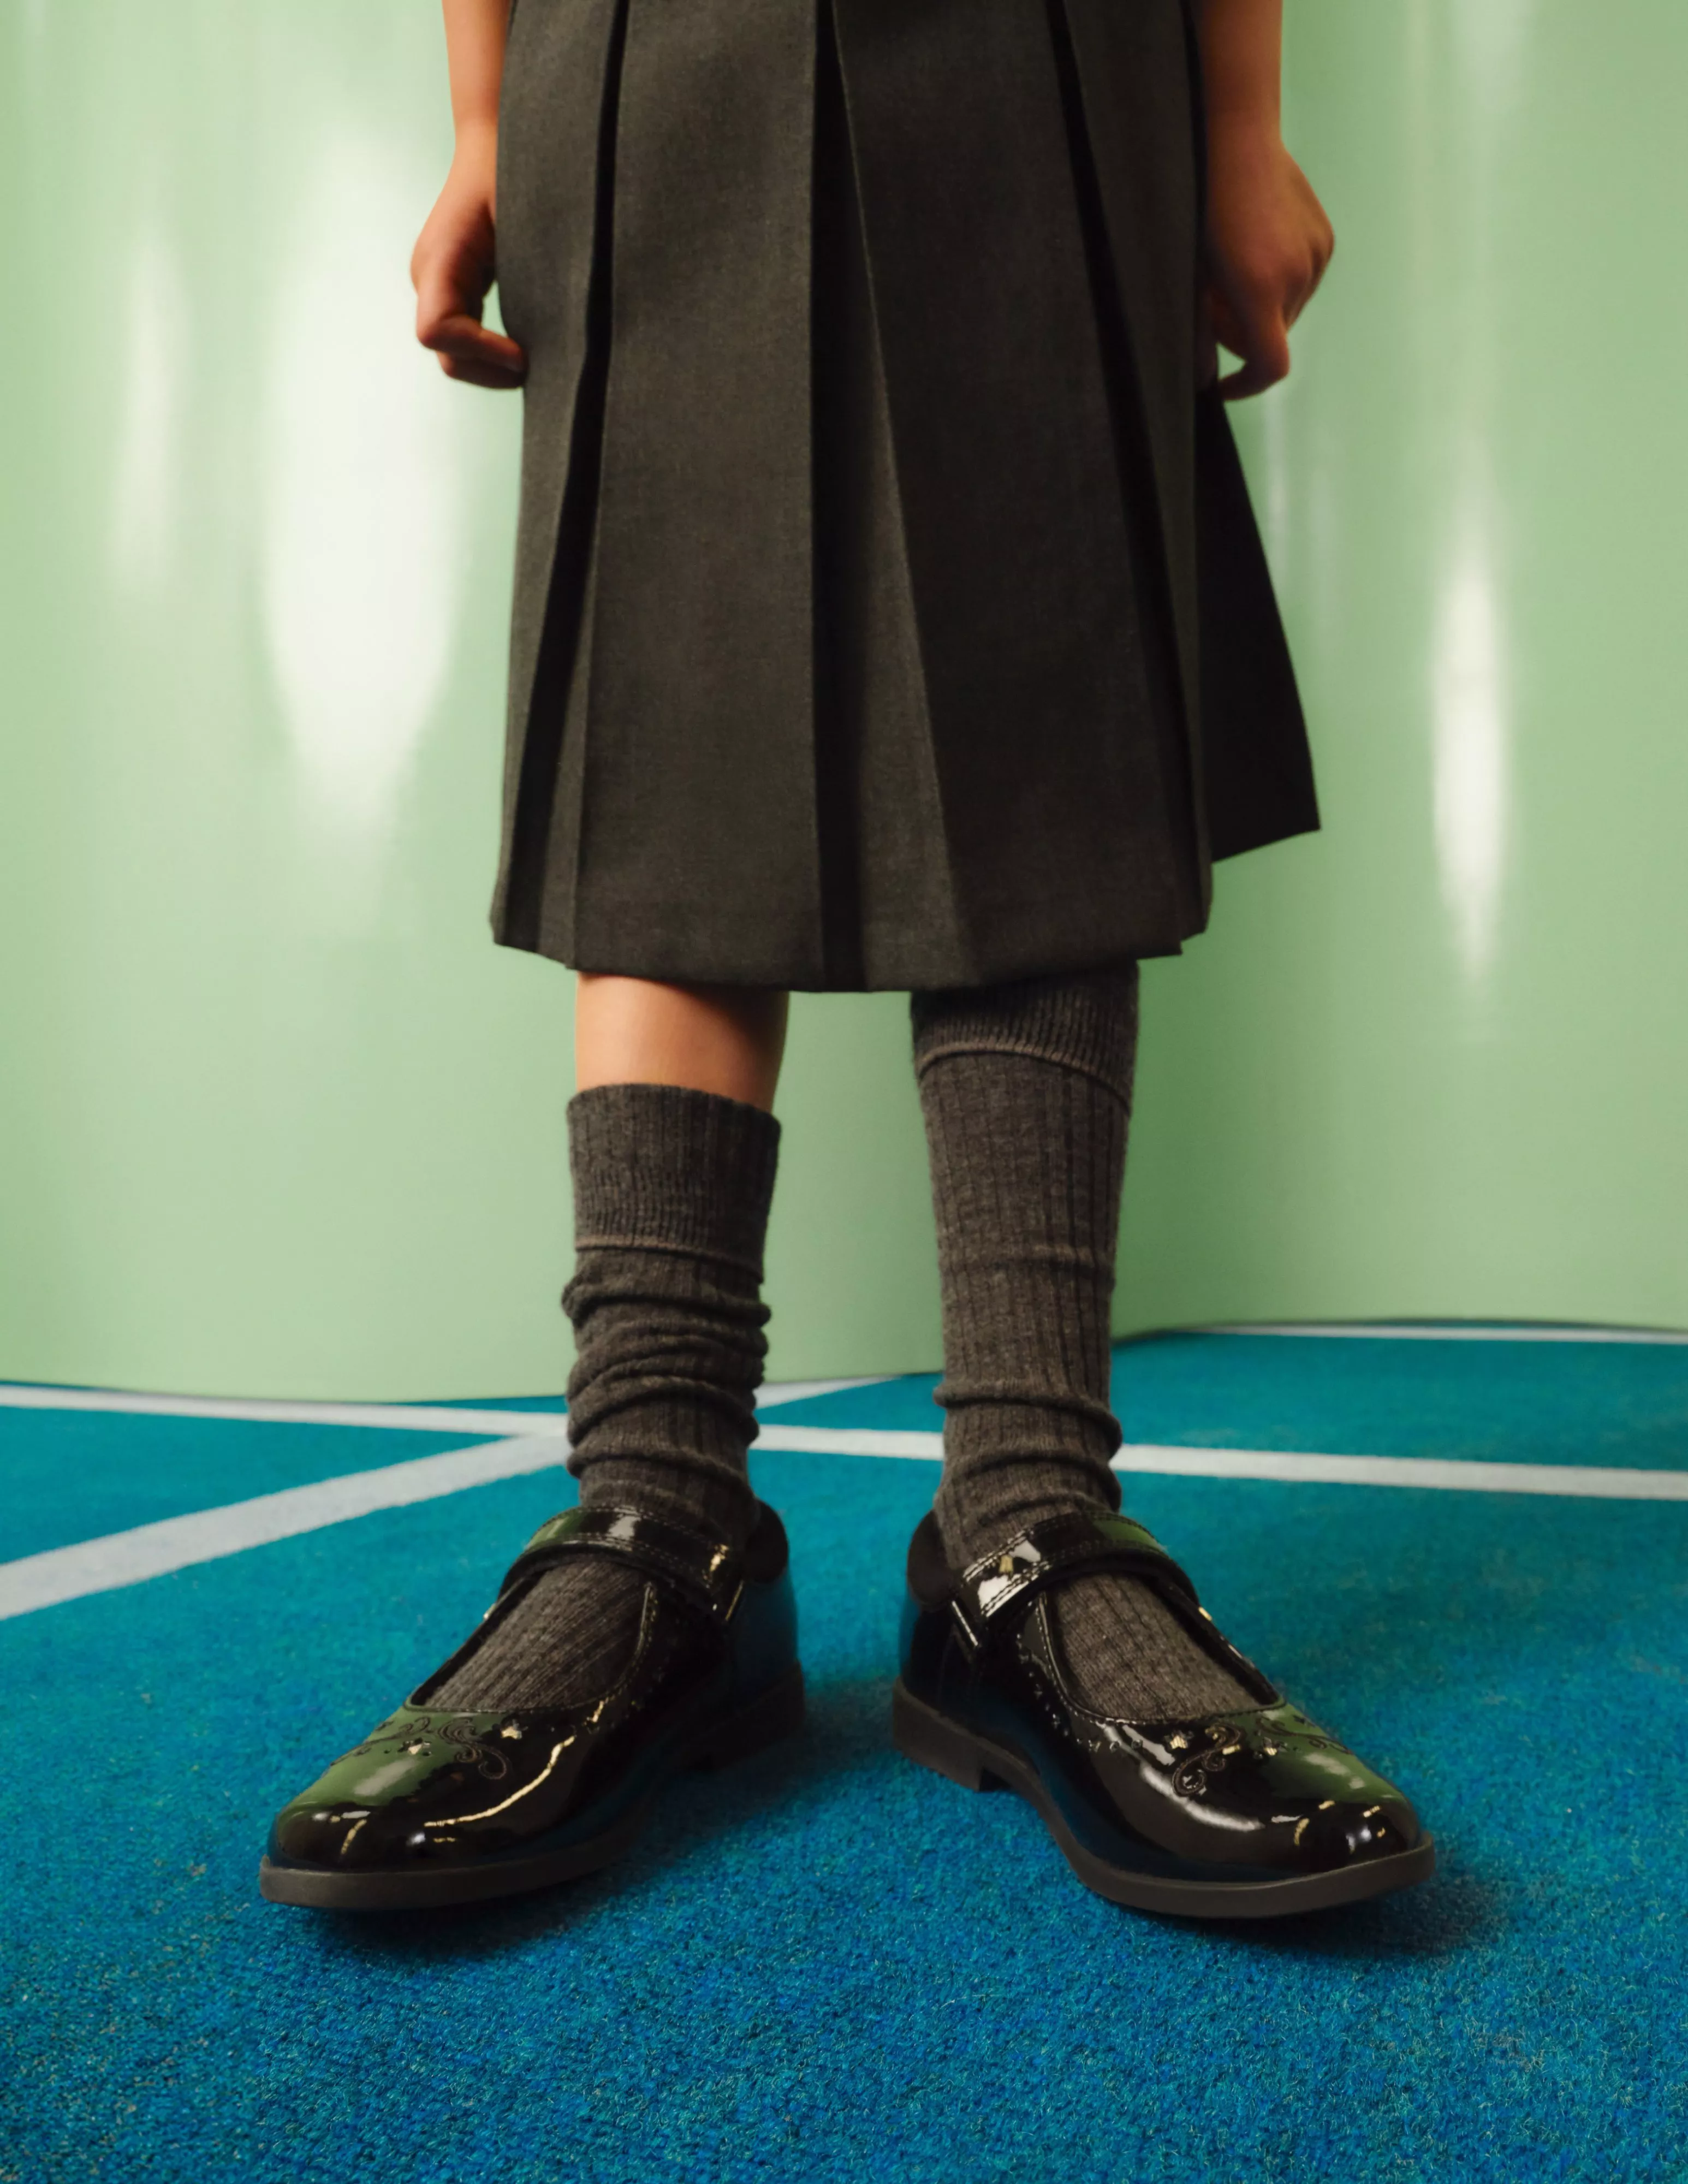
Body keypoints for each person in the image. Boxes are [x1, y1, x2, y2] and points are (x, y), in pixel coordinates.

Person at [260, 0, 1433, 1918]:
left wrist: (1239, 116)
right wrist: (483, 116)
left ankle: (1024, 1521)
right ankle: (659, 1515)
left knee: (1036, 700)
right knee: (669, 734)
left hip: (1051, 46)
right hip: (639, 52)